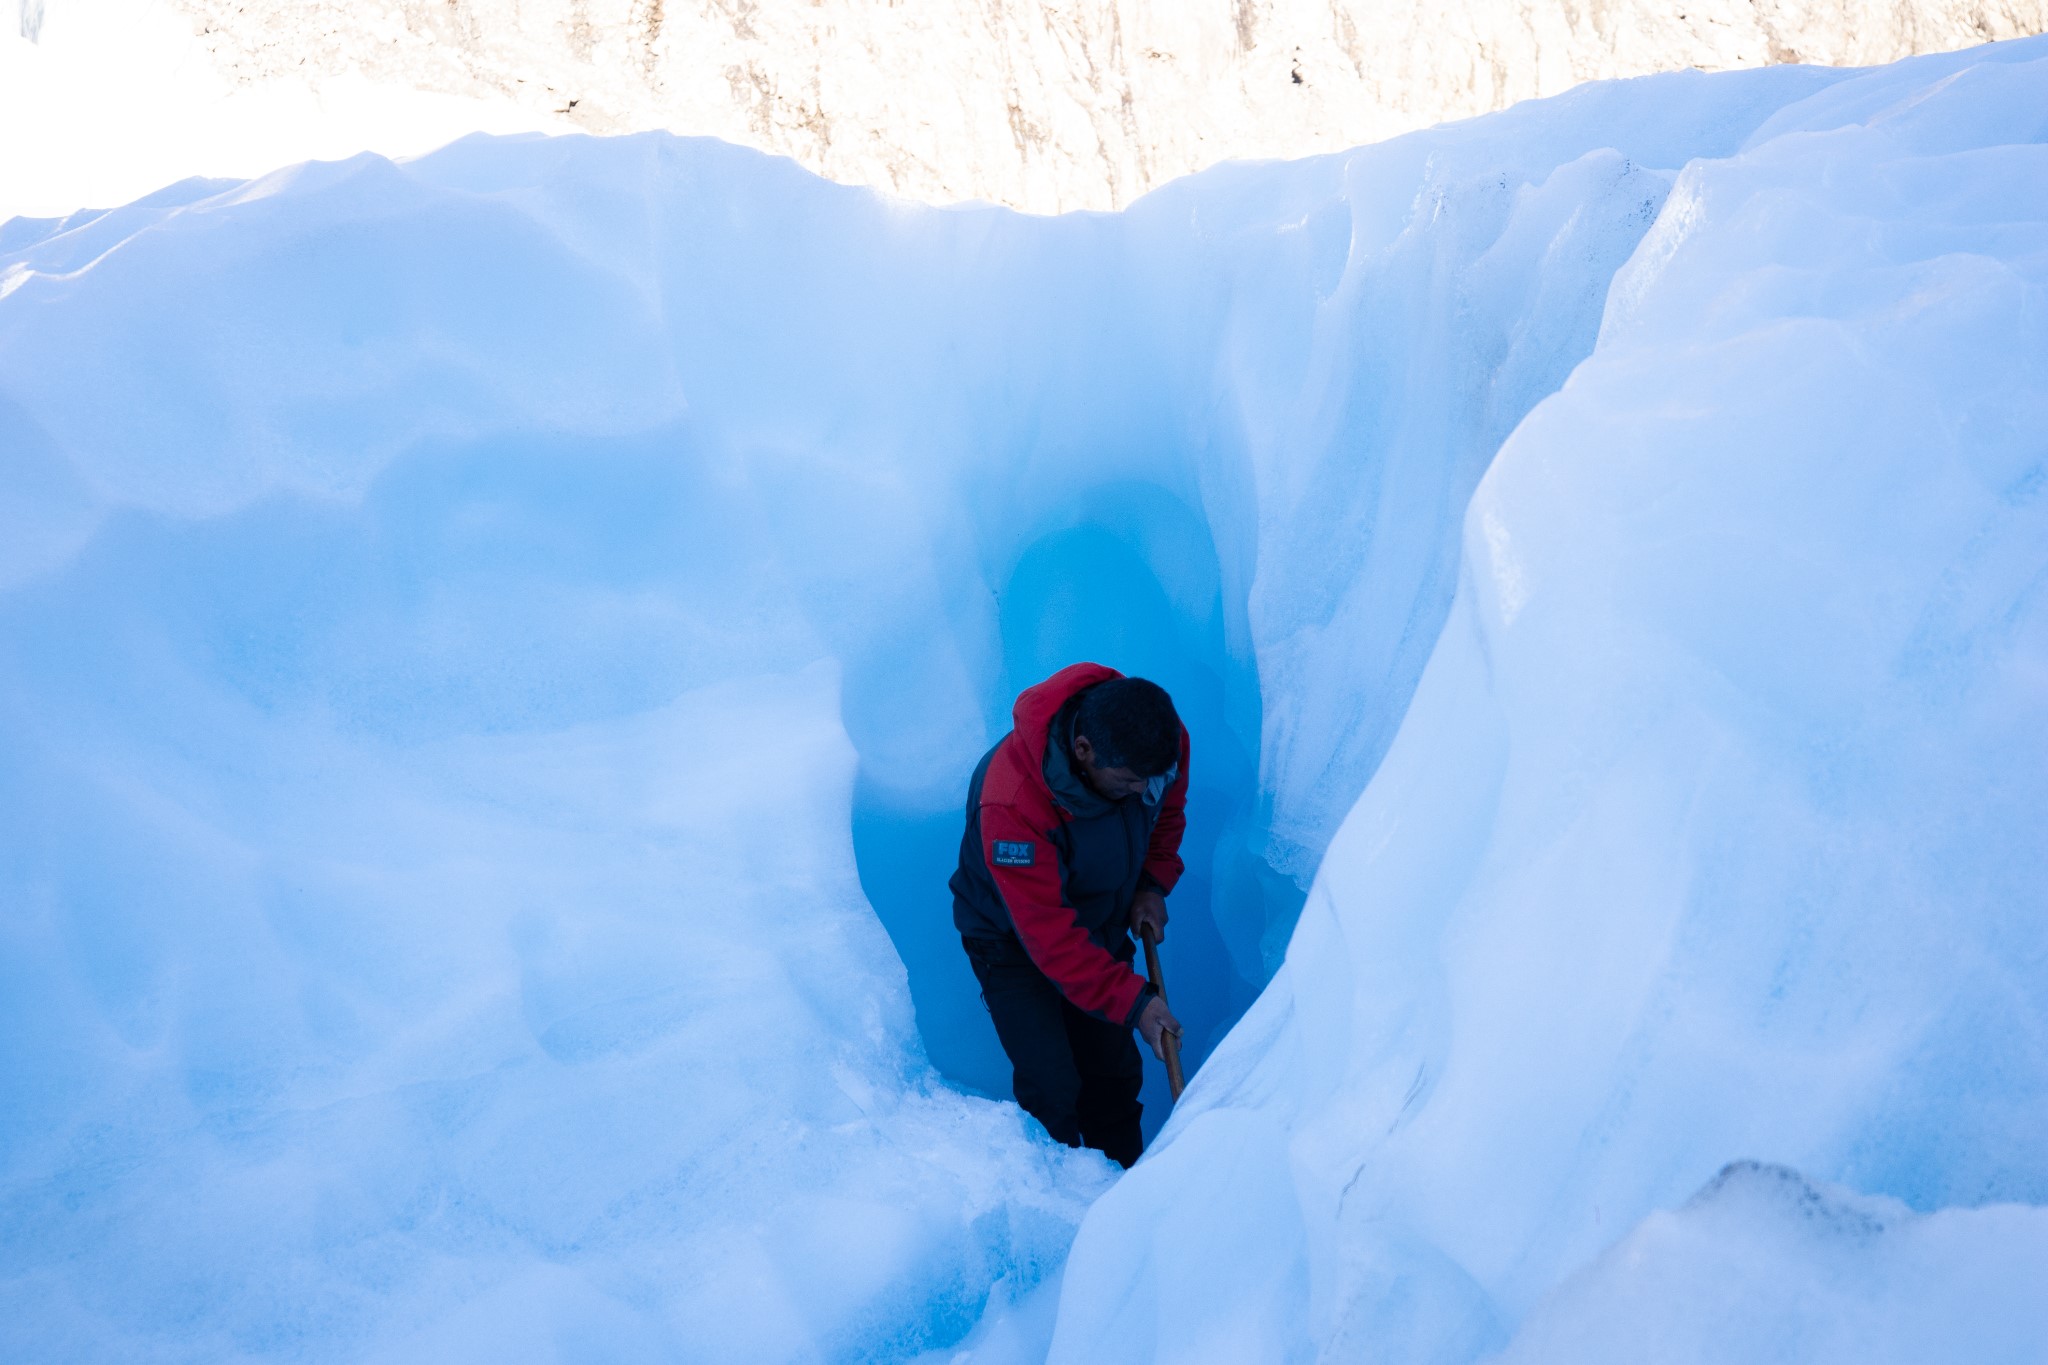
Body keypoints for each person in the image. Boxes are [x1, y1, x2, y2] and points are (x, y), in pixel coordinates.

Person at [950, 662, 1188, 1168]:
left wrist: (1152, 882)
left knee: (1113, 1074)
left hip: (1099, 918)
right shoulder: (1012, 804)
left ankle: (1126, 1195)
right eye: (1128, 782)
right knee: (1052, 1086)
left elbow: (1167, 810)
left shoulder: (1157, 744)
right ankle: (1061, 1206)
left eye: (1152, 779)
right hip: (1011, 940)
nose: (1142, 790)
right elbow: (1051, 938)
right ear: (1084, 752)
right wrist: (1136, 1003)